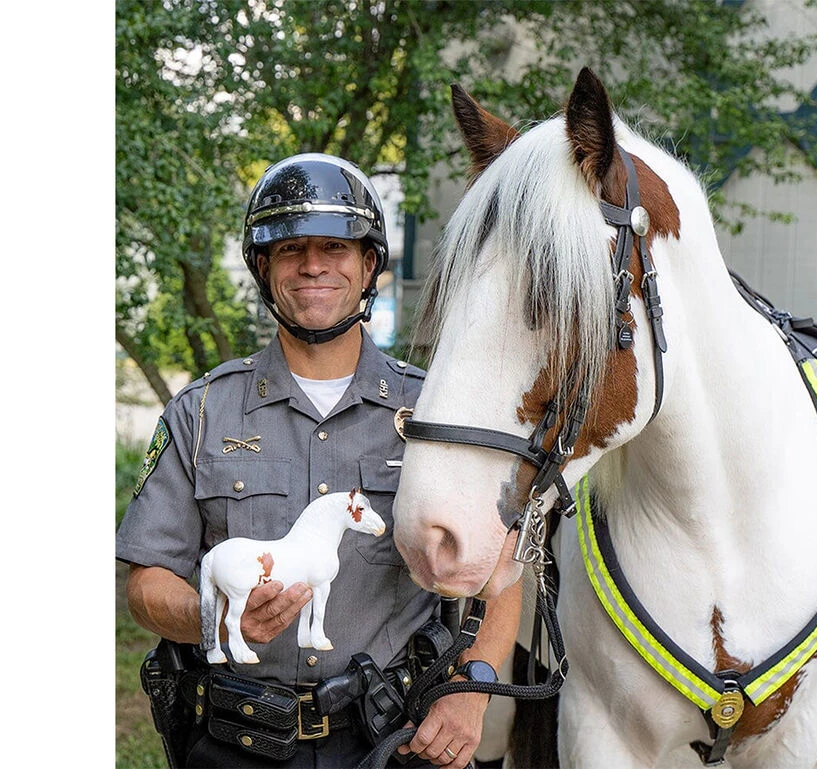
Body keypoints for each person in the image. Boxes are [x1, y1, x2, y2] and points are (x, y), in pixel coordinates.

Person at [116, 153, 522, 768]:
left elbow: (504, 568)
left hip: (395, 738)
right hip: (236, 742)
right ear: (263, 267)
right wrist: (215, 615)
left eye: (335, 246)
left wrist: (471, 691)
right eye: (290, 249)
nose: (312, 265)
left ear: (368, 268)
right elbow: (146, 585)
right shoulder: (201, 413)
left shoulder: (436, 410)